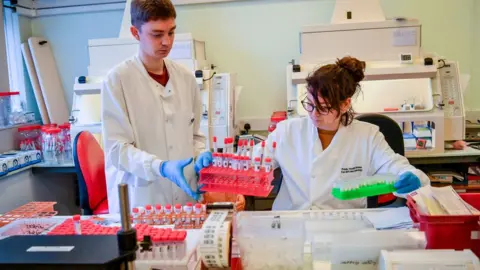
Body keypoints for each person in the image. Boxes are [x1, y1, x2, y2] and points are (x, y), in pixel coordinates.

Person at [256, 56, 430, 211]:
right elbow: (250, 163)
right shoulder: (288, 131)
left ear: (345, 104)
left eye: (324, 108)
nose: (314, 114)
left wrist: (411, 178)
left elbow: (396, 167)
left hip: (343, 226)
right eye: (309, 104)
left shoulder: (367, 136)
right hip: (290, 225)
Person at [102, 0, 212, 213]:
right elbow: (117, 150)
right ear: (135, 33)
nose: (166, 42)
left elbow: (195, 136)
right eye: (157, 34)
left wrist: (200, 158)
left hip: (184, 198)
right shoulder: (118, 80)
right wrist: (160, 167)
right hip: (142, 200)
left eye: (171, 32)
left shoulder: (185, 78)